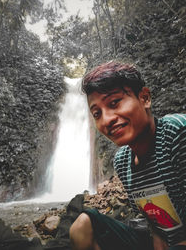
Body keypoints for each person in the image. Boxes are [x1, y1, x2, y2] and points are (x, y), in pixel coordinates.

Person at [69, 61, 186, 250]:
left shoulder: (177, 133)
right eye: (97, 113)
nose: (106, 119)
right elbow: (156, 226)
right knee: (82, 225)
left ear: (145, 98)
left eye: (114, 103)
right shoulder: (123, 161)